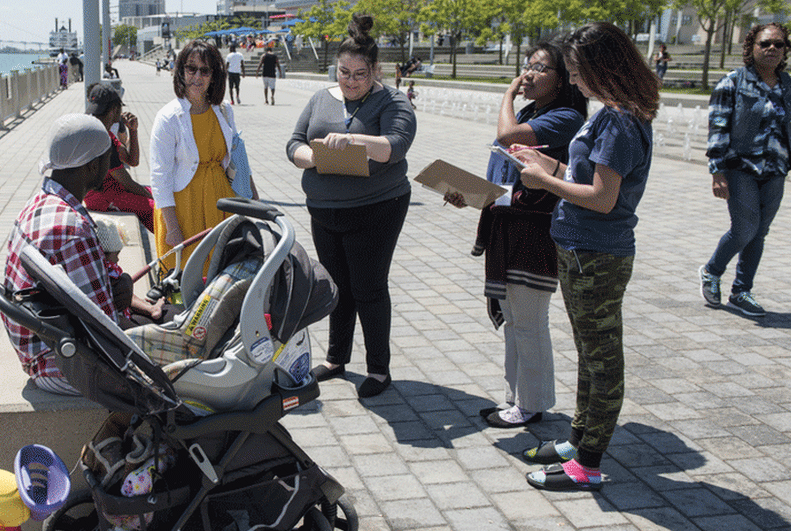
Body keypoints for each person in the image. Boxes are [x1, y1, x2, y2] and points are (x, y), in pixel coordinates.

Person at [512, 22, 659, 491]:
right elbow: (584, 174)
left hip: (596, 253)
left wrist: (545, 183)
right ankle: (578, 439)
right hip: (580, 249)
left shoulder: (618, 119)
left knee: (602, 358)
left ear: (601, 68)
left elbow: (602, 198)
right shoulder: (612, 113)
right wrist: (545, 164)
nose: (573, 81)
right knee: (588, 351)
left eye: (576, 72)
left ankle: (589, 463)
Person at [447, 41, 587, 428]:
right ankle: (518, 399)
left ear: (561, 80)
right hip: (508, 228)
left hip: (534, 233)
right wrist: (474, 196)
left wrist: (507, 91)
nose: (528, 74)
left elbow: (508, 137)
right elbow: (505, 171)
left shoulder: (565, 117)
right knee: (515, 319)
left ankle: (532, 403)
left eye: (539, 68)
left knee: (528, 322)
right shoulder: (534, 112)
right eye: (526, 65)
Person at [286, 13, 416, 398]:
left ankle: (378, 369)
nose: (350, 80)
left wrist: (355, 143)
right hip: (324, 210)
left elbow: (395, 146)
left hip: (376, 207)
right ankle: (336, 358)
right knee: (336, 287)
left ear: (375, 70)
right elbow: (293, 142)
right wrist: (311, 154)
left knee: (368, 287)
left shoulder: (392, 100)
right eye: (344, 72)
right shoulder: (320, 98)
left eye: (360, 74)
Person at [699, 22, 791, 318]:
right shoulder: (732, 83)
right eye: (765, 44)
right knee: (744, 228)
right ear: (751, 47)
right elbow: (718, 128)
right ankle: (712, 271)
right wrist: (717, 171)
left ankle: (741, 291)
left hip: (775, 171)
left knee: (759, 232)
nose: (772, 49)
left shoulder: (789, 86)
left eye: (779, 44)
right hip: (740, 168)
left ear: (785, 50)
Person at [3, 113, 115, 395]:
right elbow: (106, 328)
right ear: (91, 166)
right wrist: (121, 295)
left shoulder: (40, 203)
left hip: (37, 349)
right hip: (61, 365)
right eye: (107, 157)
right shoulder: (73, 229)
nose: (111, 165)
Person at [149, 40, 259, 267]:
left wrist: (254, 201)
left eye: (205, 70)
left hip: (221, 203)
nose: (197, 76)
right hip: (183, 210)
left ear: (214, 75)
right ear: (180, 72)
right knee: (185, 277)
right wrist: (172, 229)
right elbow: (160, 178)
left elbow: (238, 158)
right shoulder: (168, 118)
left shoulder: (224, 111)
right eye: (191, 68)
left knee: (221, 271)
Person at [83, 83, 156, 232]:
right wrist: (156, 199)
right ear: (114, 110)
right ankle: (173, 247)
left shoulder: (103, 132)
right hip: (103, 198)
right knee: (157, 208)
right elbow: (127, 182)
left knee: (158, 193)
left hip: (113, 191)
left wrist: (133, 131)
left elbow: (132, 161)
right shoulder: (103, 139)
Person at [92, 213, 165, 329]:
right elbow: (126, 296)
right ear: (105, 253)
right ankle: (151, 309)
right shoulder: (110, 270)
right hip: (119, 318)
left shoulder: (95, 267)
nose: (118, 259)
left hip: (115, 311)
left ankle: (151, 308)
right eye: (116, 254)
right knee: (125, 288)